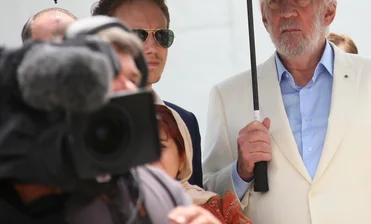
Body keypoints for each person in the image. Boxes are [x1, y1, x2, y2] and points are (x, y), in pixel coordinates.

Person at [203, 0, 371, 224]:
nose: (287, 12)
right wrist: (240, 172)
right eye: (275, 1)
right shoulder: (227, 97)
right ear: (264, 17)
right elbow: (205, 200)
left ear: (329, 11)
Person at [0, 16, 219, 224]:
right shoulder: (37, 184)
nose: (128, 88)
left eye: (134, 78)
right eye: (111, 74)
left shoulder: (159, 186)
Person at [91, 0, 204, 187]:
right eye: (137, 35)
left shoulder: (184, 123)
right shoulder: (84, 120)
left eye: (161, 35)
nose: (152, 47)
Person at [154, 104, 253, 224]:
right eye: (140, 149)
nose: (148, 158)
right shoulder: (126, 208)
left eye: (159, 147)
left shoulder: (210, 212)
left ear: (182, 158)